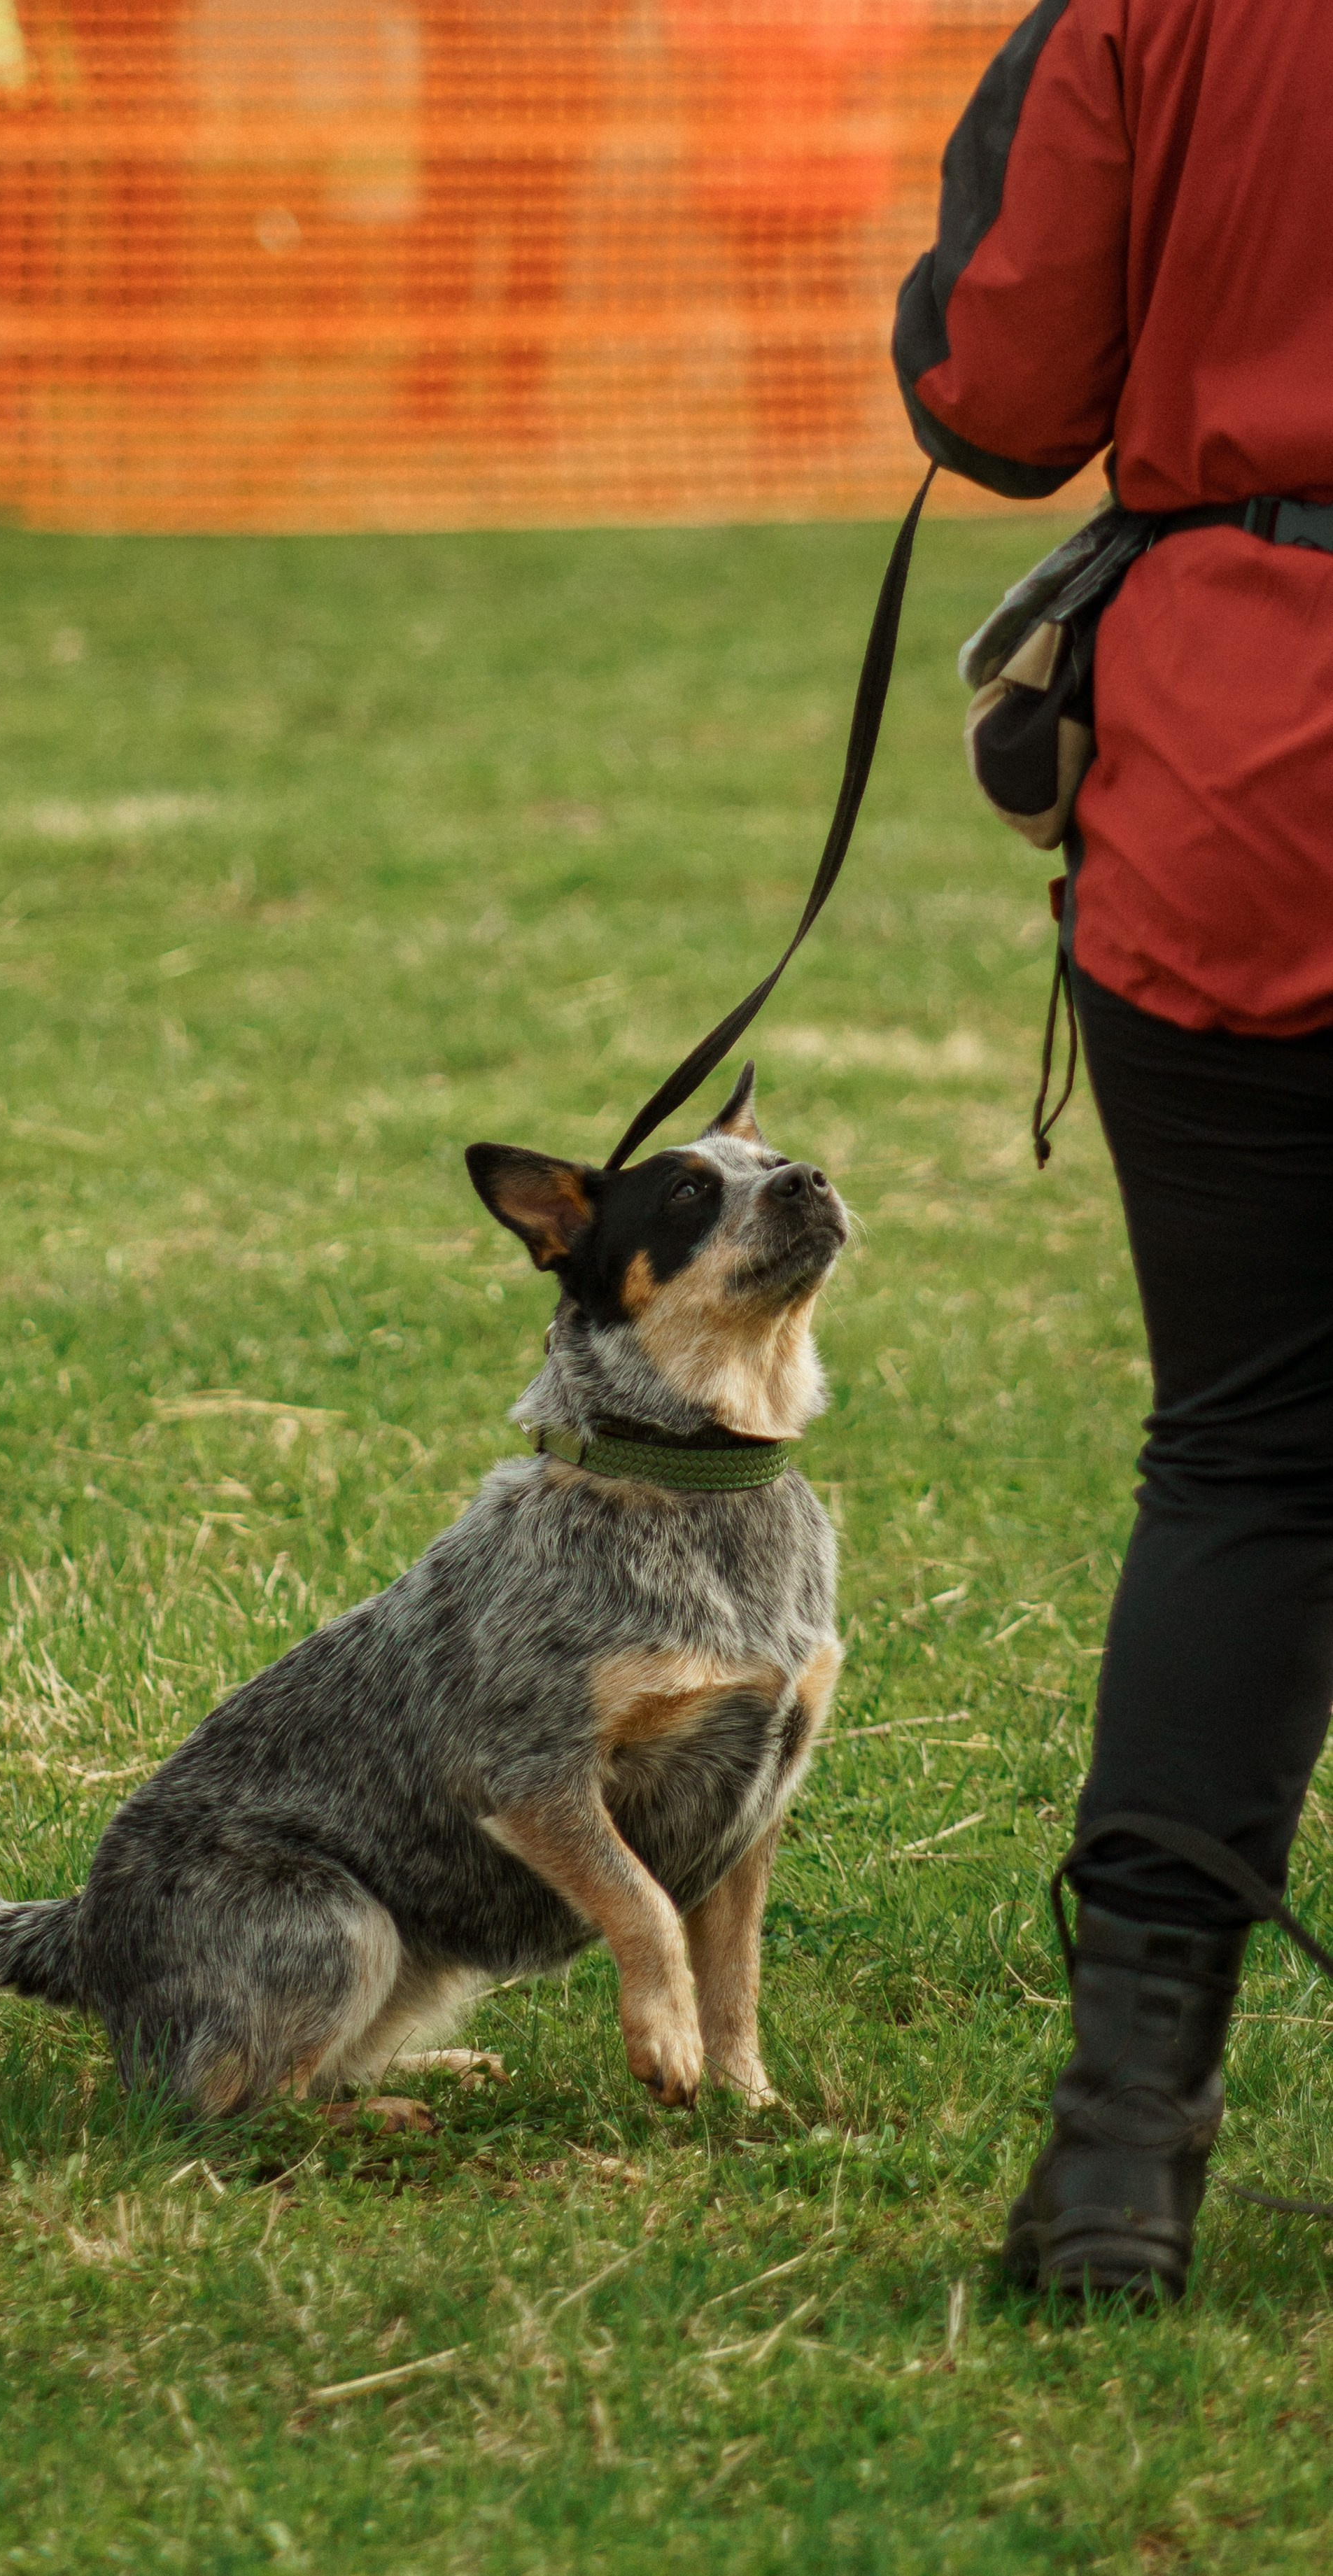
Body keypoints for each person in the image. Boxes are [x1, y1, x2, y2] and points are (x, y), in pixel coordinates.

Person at [894, 0, 1333, 2304]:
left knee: (1251, 1462)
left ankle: (1116, 2164)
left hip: (1248, 791)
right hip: (1244, 771)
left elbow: (997, 385)